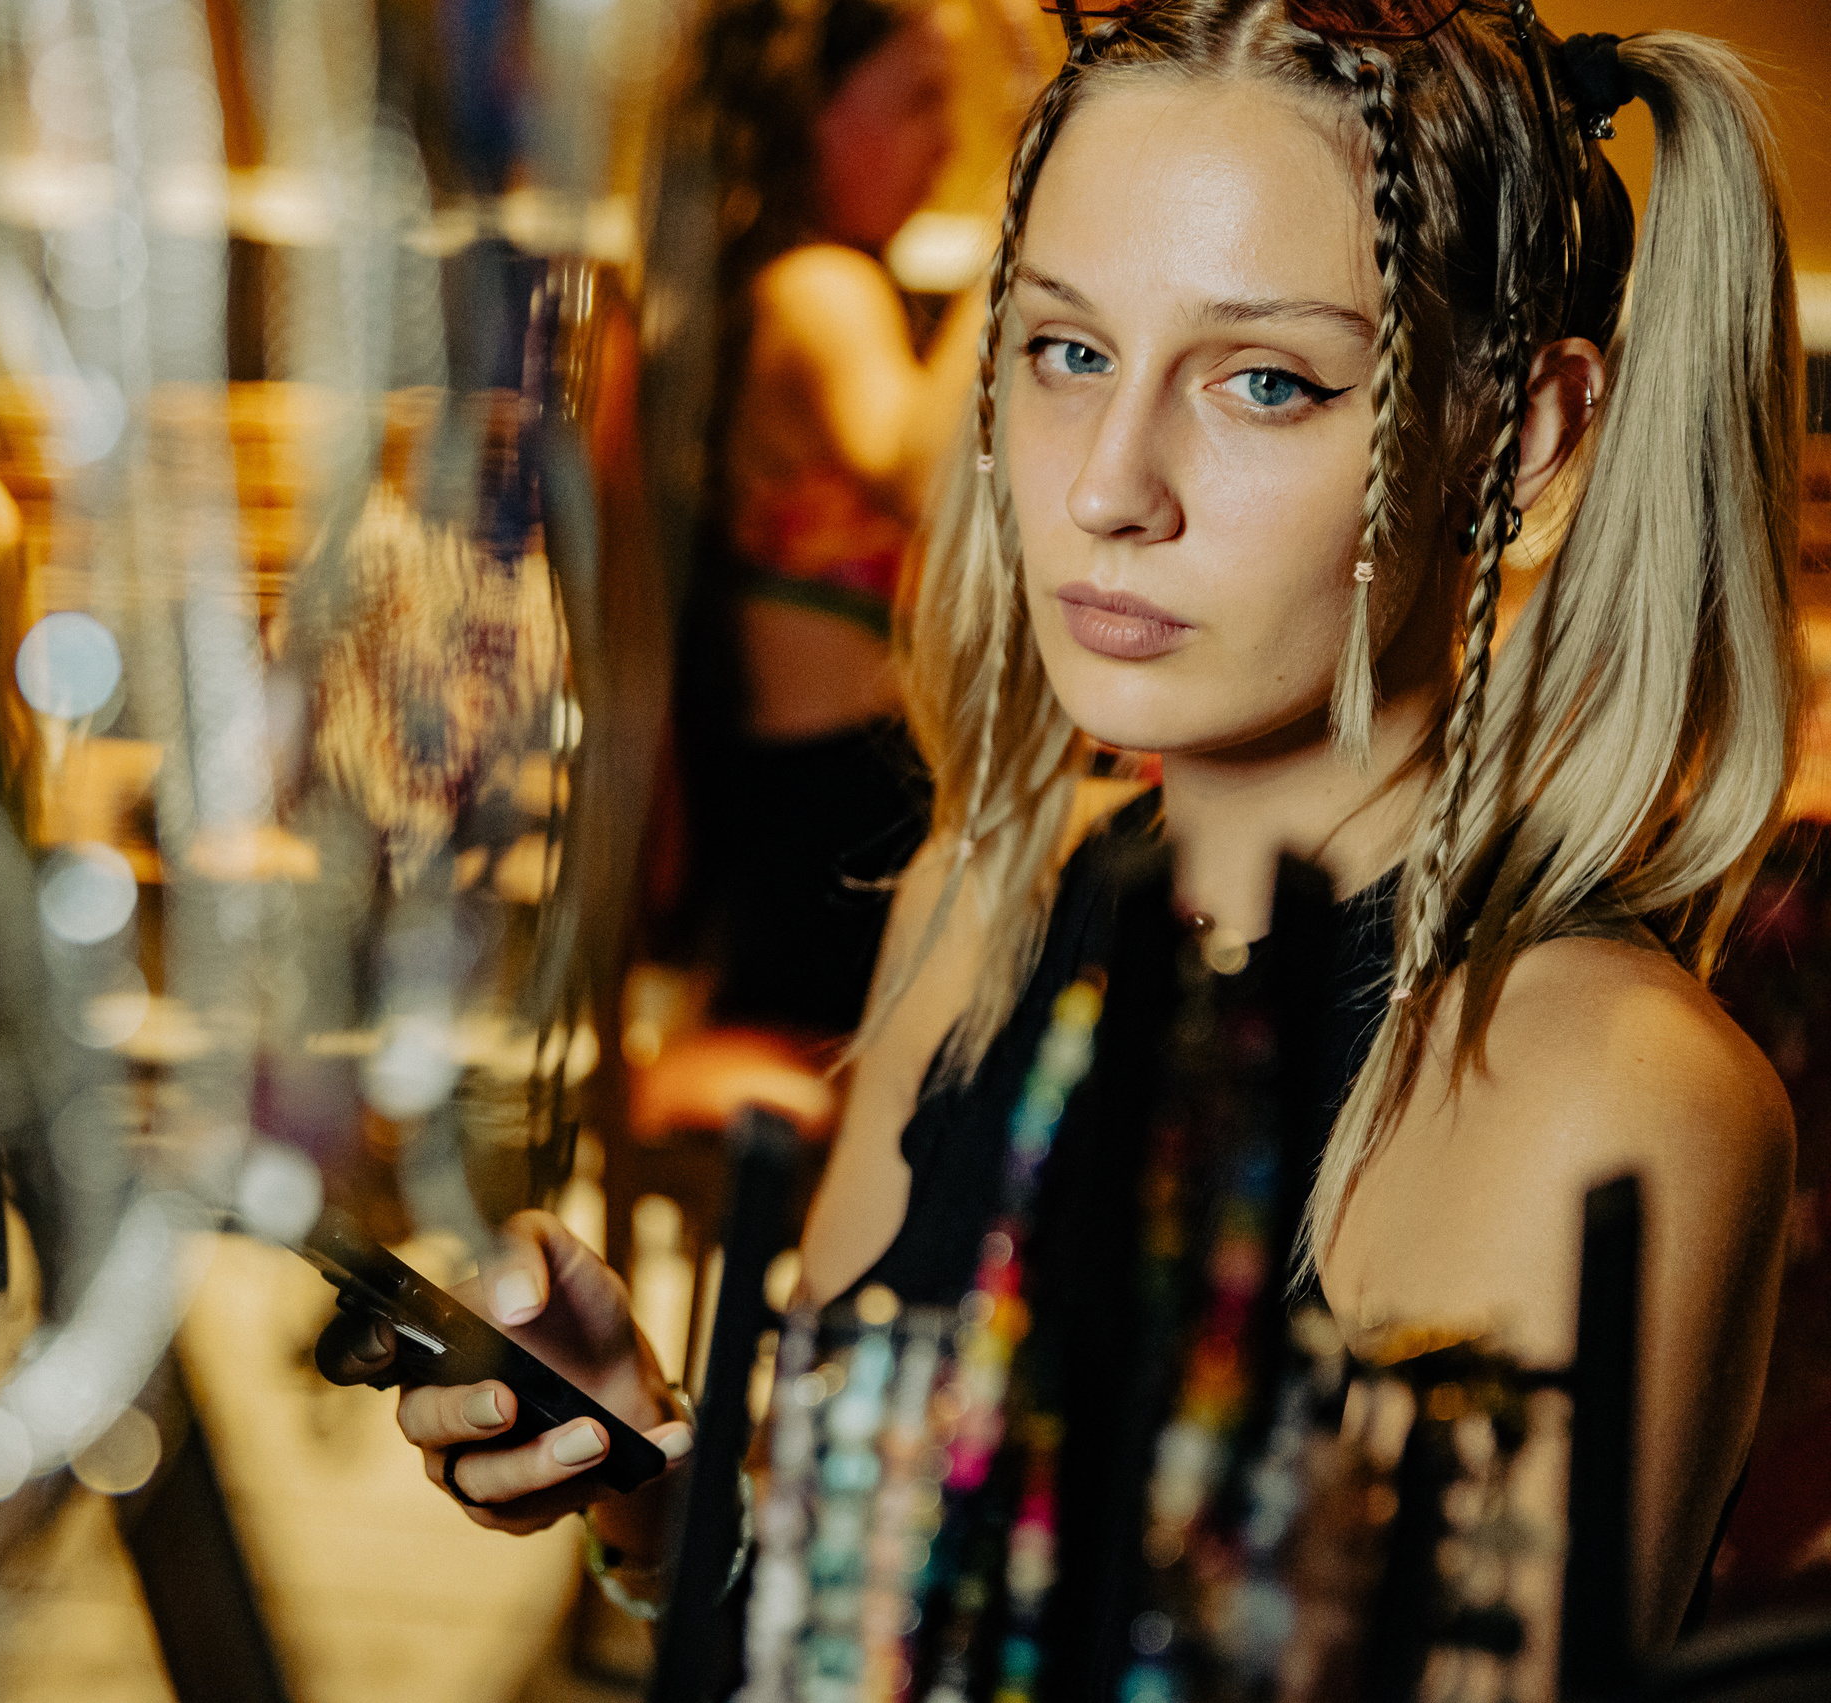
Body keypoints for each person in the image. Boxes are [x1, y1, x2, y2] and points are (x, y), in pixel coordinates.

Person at [324, 0, 1801, 1668]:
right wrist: (653, 1472)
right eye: (1067, 350)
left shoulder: (1610, 1099)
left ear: (1521, 435)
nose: (1109, 483)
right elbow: (842, 1610)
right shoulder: (985, 896)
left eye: (1264, 381)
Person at [656, 0, 992, 1041]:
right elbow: (923, 469)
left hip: (793, 822)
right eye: (920, 100)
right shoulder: (820, 286)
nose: (947, 142)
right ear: (815, 110)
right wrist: (1024, 241)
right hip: (832, 835)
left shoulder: (763, 283)